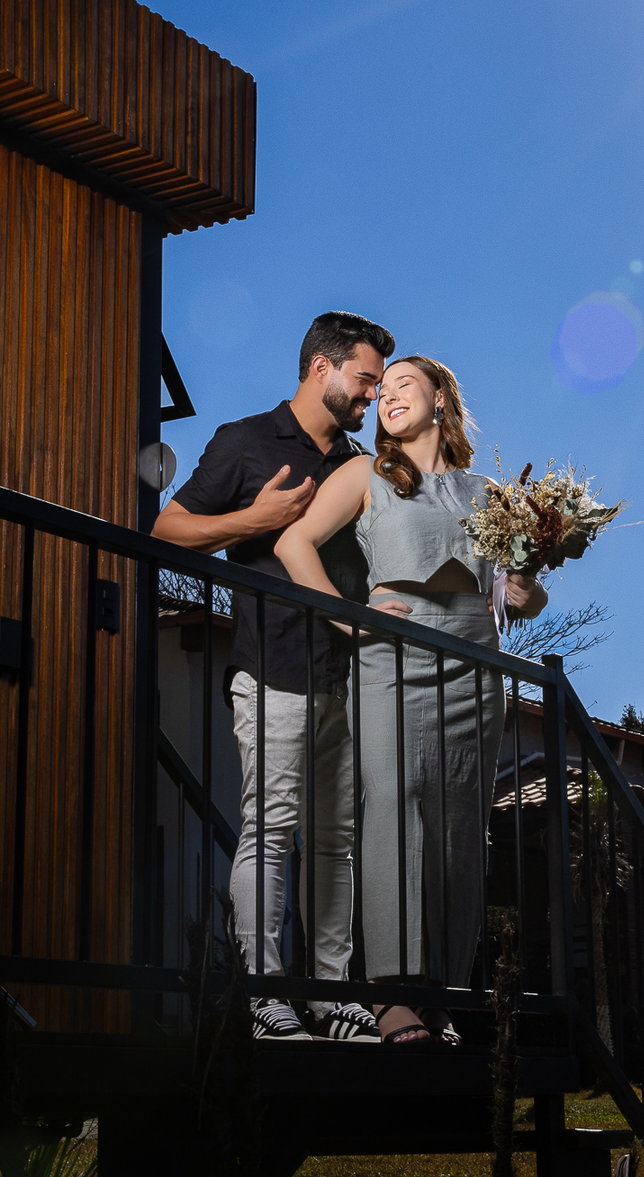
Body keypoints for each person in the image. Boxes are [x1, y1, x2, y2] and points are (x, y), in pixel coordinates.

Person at [275, 355, 547, 1048]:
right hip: (393, 654)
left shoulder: (488, 493)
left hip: (475, 660)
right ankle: (391, 993)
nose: (388, 396)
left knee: (462, 824)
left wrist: (526, 580)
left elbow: (520, 598)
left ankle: (443, 992)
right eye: (382, 390)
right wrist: (349, 618)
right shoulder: (365, 473)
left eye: (405, 386)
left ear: (440, 400)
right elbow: (293, 541)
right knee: (395, 806)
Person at [152, 309, 395, 1043]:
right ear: (322, 368)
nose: (374, 394)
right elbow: (167, 531)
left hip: (345, 680)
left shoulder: (359, 462)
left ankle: (330, 997)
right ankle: (263, 993)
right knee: (270, 829)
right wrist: (255, 520)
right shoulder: (245, 441)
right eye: (365, 379)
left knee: (335, 842)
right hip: (272, 669)